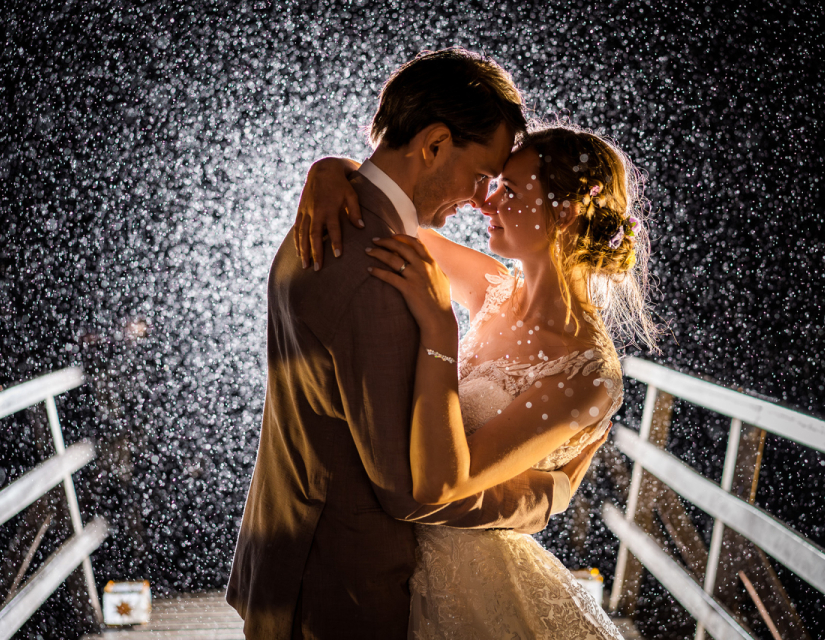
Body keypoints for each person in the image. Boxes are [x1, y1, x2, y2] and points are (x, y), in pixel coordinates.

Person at [227, 49, 602, 640]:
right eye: (485, 177)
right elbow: (414, 494)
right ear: (432, 145)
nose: (485, 200)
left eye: (504, 187)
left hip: (302, 557)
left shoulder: (342, 222)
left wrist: (333, 169)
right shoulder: (375, 269)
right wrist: (545, 494)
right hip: (343, 584)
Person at [295, 123, 657, 638]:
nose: (487, 203)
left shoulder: (586, 373)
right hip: (398, 563)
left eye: (509, 191)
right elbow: (389, 214)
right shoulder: (492, 287)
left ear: (564, 212)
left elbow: (443, 485)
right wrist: (330, 170)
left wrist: (440, 331)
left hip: (478, 589)